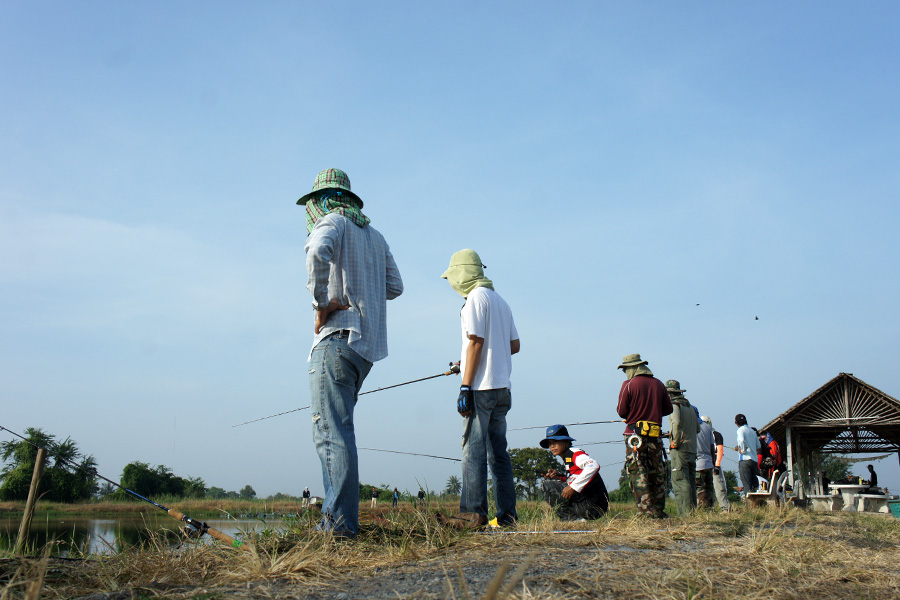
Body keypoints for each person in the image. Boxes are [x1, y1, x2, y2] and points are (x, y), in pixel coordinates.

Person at [299, 168, 404, 537]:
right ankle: (339, 520)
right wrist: (364, 290)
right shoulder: (375, 236)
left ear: (323, 199)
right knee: (340, 432)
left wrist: (322, 303)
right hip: (365, 351)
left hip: (337, 338)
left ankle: (339, 526)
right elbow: (395, 286)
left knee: (331, 434)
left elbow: (316, 252)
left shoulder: (332, 222)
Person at [442, 249, 520, 529]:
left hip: (481, 388)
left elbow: (475, 340)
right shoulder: (501, 301)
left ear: (462, 273)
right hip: (503, 389)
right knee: (499, 453)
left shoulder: (475, 298)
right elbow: (513, 346)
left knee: (473, 451)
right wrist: (467, 359)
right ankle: (507, 515)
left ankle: (472, 513)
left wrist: (465, 384)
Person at [616, 353, 673, 519]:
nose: (625, 372)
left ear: (632, 368)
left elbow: (621, 411)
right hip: (655, 435)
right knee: (656, 471)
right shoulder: (659, 384)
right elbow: (668, 409)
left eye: (625, 369)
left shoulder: (628, 384)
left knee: (637, 471)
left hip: (634, 435)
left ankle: (646, 512)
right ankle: (659, 510)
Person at [539, 425, 609, 521]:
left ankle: (571, 519)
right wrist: (560, 477)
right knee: (550, 482)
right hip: (590, 506)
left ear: (567, 442)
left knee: (546, 485)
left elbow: (593, 465)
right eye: (550, 443)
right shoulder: (567, 457)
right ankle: (575, 520)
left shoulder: (574, 453)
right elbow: (576, 476)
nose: (552, 446)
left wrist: (573, 487)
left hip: (592, 505)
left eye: (556, 442)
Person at [666, 380, 698, 515]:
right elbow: (697, 428)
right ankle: (692, 512)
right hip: (692, 449)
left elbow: (677, 422)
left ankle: (684, 515)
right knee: (690, 481)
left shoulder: (674, 406)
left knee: (680, 481)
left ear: (670, 393)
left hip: (681, 449)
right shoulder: (691, 407)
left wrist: (675, 441)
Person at [703, 417, 730, 511]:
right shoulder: (700, 434)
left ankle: (725, 508)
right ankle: (709, 508)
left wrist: (717, 465)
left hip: (714, 465)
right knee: (705, 488)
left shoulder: (716, 434)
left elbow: (720, 450)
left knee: (719, 487)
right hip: (704, 464)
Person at [733, 414, 760, 496]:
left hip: (744, 459)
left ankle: (749, 505)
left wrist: (743, 450)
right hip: (754, 460)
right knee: (755, 484)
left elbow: (742, 440)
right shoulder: (752, 431)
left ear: (736, 422)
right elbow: (758, 446)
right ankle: (757, 504)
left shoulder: (740, 430)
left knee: (747, 485)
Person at [695, 414, 716, 509]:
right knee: (709, 489)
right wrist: (714, 463)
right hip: (709, 463)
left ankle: (703, 510)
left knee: (700, 489)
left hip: (698, 464)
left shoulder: (692, 426)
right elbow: (712, 447)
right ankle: (711, 508)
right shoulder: (708, 428)